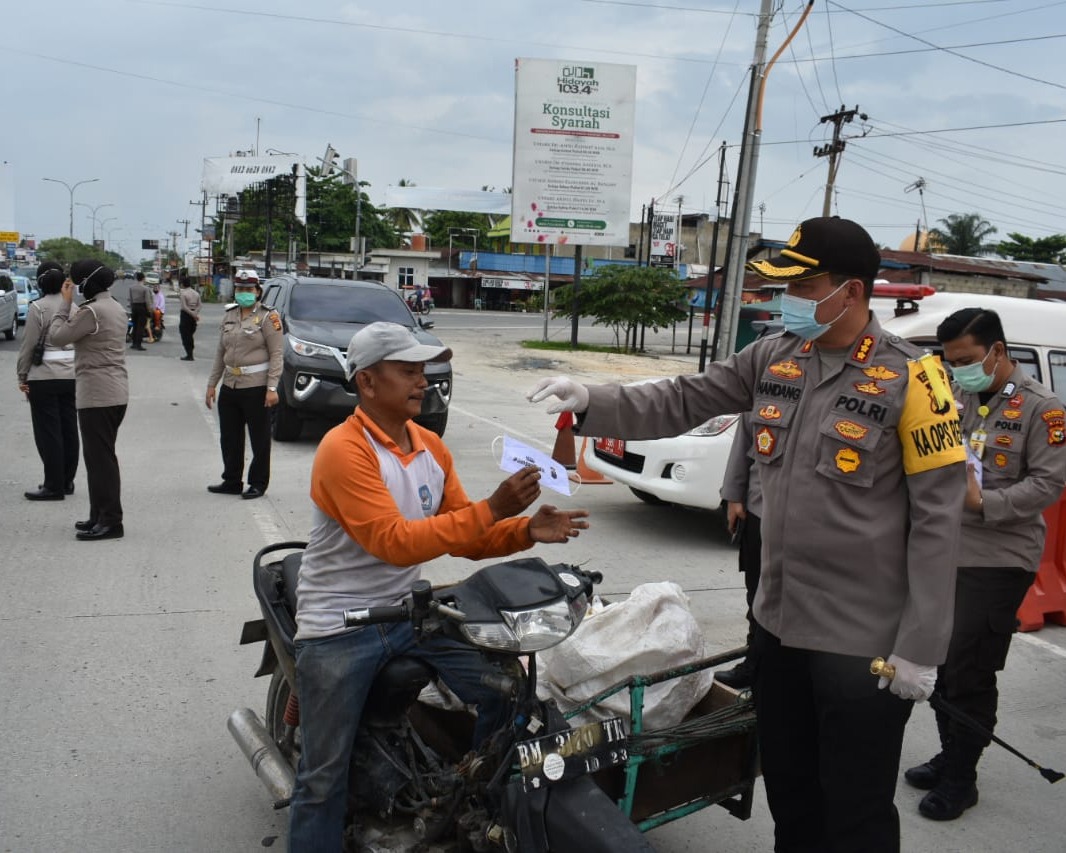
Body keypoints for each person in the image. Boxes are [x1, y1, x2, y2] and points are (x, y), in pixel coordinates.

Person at [529, 216, 968, 853]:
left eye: (803, 286)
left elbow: (938, 520)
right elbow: (685, 397)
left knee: (856, 806)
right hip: (778, 626)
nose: (788, 298)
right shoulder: (773, 356)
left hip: (862, 641)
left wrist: (921, 647)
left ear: (849, 291)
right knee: (790, 788)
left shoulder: (916, 379)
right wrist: (592, 399)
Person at [288, 321, 590, 851]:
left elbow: (465, 535)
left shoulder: (429, 445)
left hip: (406, 614)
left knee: (508, 692)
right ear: (367, 382)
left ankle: (474, 801)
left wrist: (524, 530)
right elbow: (395, 542)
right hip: (339, 625)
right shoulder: (344, 449)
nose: (422, 381)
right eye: (408, 371)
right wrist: (493, 508)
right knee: (322, 777)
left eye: (423, 370)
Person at [904, 307, 1066, 821]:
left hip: (1000, 556)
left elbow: (1049, 483)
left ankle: (961, 778)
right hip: (945, 549)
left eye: (966, 360)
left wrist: (983, 503)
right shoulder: (954, 397)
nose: (958, 371)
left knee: (969, 669)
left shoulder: (1043, 408)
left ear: (997, 350)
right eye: (951, 363)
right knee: (940, 662)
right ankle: (950, 753)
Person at [49, 260, 129, 541]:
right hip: (115, 392)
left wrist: (64, 304)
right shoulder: (115, 306)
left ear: (86, 283)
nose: (75, 287)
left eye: (76, 282)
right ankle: (98, 516)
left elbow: (57, 336)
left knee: (100, 460)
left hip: (97, 394)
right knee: (99, 458)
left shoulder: (91, 311)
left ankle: (111, 521)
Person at [204, 272, 283, 499]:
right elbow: (221, 352)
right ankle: (232, 480)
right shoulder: (229, 315)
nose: (244, 293)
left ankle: (258, 483)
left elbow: (277, 354)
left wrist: (272, 388)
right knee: (230, 437)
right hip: (230, 385)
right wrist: (212, 384)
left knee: (259, 439)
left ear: (258, 291)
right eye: (240, 289)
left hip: (256, 386)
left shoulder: (269, 317)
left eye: (249, 290)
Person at [16, 262, 79, 500]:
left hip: (43, 378)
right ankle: (67, 481)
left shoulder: (38, 308)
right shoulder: (74, 307)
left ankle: (53, 486)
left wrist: (22, 376)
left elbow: (28, 345)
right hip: (71, 377)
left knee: (48, 433)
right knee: (69, 429)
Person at [714, 410, 762, 689]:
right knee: (756, 595)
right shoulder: (768, 383)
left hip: (813, 523)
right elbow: (746, 432)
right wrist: (733, 493)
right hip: (760, 508)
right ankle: (754, 664)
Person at [178, 274, 201, 361]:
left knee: (185, 334)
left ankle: (189, 354)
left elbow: (184, 307)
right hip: (193, 314)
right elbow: (200, 305)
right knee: (190, 334)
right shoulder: (196, 293)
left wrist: (192, 314)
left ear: (182, 284)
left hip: (186, 315)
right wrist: (195, 313)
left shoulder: (183, 293)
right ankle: (190, 354)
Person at [128, 272, 153, 351]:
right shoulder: (145, 288)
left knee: (135, 325)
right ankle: (139, 344)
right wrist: (149, 310)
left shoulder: (131, 287)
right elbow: (147, 301)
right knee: (141, 327)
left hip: (134, 307)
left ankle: (134, 343)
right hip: (142, 307)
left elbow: (130, 299)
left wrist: (132, 308)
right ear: (143, 278)